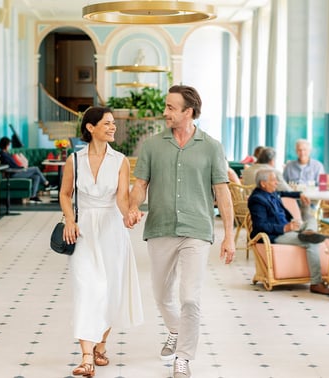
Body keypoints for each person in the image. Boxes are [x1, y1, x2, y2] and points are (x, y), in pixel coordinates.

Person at [125, 85, 235, 378]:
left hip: (197, 229)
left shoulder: (211, 146)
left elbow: (223, 194)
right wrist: (133, 207)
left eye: (172, 107)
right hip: (160, 226)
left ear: (189, 111)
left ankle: (184, 357)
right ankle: (175, 328)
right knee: (161, 294)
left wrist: (230, 236)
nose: (165, 112)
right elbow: (140, 186)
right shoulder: (152, 145)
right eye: (166, 106)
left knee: (189, 297)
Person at [59, 107, 143, 378]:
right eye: (107, 123)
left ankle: (101, 343)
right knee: (88, 288)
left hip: (111, 231)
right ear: (90, 127)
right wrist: (69, 220)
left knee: (110, 292)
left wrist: (128, 213)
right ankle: (86, 357)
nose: (113, 127)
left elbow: (121, 198)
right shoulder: (74, 159)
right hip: (84, 232)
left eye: (113, 124)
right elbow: (65, 193)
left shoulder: (120, 161)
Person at [247, 168, 329, 295]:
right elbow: (260, 226)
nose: (277, 182)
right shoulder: (257, 200)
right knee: (311, 243)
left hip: (290, 228)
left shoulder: (272, 192)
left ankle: (308, 232)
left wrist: (299, 195)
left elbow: (283, 193)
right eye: (273, 180)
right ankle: (316, 283)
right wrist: (284, 228)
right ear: (263, 184)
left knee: (311, 220)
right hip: (276, 235)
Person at [242, 147, 313, 221]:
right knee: (304, 202)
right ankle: (304, 226)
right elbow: (288, 192)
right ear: (272, 160)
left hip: (248, 207)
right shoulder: (273, 172)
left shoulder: (247, 171)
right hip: (269, 210)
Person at [0, 136, 50, 204]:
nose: (9, 146)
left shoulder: (6, 153)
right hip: (13, 173)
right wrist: (21, 168)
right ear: (5, 145)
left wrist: (21, 167)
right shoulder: (3, 154)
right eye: (8, 144)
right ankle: (46, 183)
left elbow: (13, 164)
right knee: (35, 168)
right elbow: (11, 166)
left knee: (36, 176)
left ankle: (33, 196)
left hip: (17, 170)